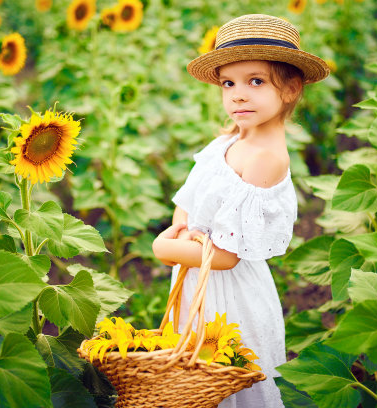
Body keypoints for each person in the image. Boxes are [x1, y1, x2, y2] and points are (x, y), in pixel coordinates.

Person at [152, 14, 329, 408]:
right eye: (228, 83)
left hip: (229, 298)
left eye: (256, 81)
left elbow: (228, 256)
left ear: (291, 88)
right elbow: (186, 200)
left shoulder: (266, 159)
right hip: (195, 280)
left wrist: (164, 248)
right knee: (195, 381)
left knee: (228, 380)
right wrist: (183, 229)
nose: (238, 95)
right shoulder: (228, 140)